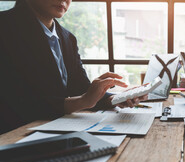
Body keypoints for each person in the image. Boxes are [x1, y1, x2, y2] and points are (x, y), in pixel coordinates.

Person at [0, 0, 146, 134]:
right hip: (13, 135)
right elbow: (15, 101)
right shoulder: (5, 27)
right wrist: (81, 101)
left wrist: (116, 98)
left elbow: (81, 89)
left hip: (55, 130)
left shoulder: (67, 38)